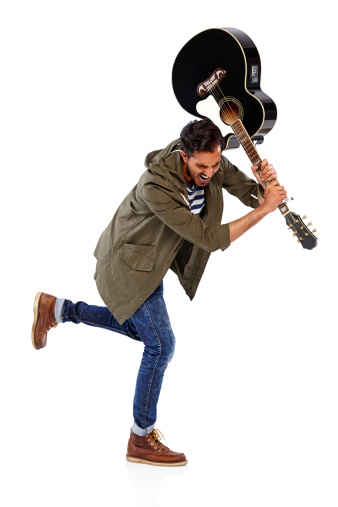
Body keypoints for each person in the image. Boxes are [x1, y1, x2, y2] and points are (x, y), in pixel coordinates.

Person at [31, 119, 287, 467]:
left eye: (214, 165)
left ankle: (58, 309)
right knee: (161, 345)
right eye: (201, 166)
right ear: (184, 156)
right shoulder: (156, 186)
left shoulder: (211, 158)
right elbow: (208, 238)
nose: (209, 173)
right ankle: (140, 437)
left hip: (152, 261)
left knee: (145, 331)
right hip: (128, 266)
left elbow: (245, 189)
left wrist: (263, 189)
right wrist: (264, 209)